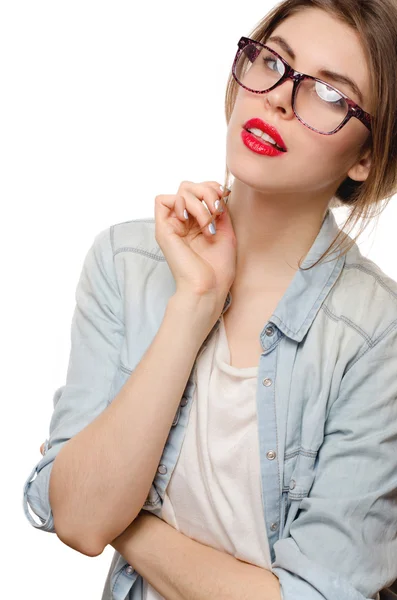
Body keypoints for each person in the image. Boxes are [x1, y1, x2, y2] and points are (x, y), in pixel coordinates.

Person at [23, 1, 397, 599]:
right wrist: (195, 301)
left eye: (328, 94)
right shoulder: (126, 263)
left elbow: (321, 594)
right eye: (273, 62)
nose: (278, 98)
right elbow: (79, 520)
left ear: (365, 158)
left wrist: (131, 525)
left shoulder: (378, 334)